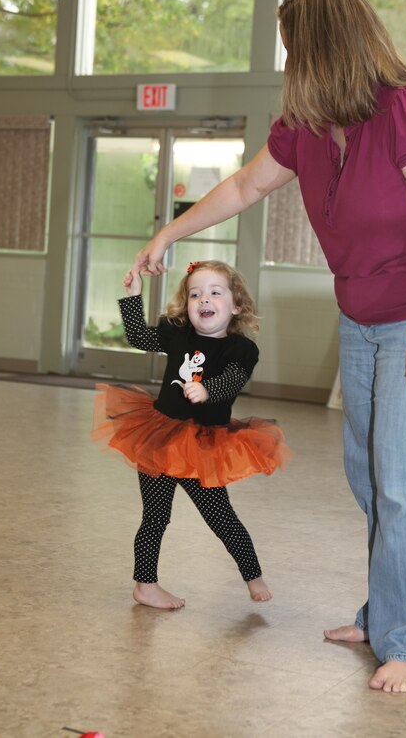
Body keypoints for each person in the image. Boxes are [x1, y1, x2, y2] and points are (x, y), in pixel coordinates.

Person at [129, 0, 406, 691]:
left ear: (321, 48)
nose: (289, 62)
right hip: (362, 316)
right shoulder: (309, 122)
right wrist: (170, 229)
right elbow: (243, 188)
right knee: (372, 477)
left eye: (293, 48)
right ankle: (384, 612)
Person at [92, 260, 291, 610]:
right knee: (155, 516)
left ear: (236, 305)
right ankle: (145, 584)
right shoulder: (177, 333)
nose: (204, 300)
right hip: (160, 438)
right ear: (186, 305)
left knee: (221, 516)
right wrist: (133, 298)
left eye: (215, 293)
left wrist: (207, 390)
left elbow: (234, 379)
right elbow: (138, 337)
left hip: (203, 446)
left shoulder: (241, 349)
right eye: (195, 294)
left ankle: (253, 574)